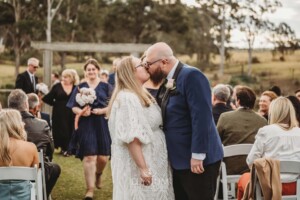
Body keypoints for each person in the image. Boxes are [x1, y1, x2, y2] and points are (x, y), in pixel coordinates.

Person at [145, 42, 223, 200]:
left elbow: (202, 117)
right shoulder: (170, 79)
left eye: (148, 64)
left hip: (198, 161)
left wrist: (198, 154)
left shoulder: (192, 76)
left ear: (164, 62)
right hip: (179, 158)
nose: (147, 68)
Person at [107, 56, 174, 199]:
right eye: (142, 65)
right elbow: (132, 138)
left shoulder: (139, 93)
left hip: (153, 158)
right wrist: (143, 169)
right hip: (140, 163)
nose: (146, 67)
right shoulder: (127, 98)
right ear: (130, 72)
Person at [237, 97, 300, 199]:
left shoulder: (266, 131)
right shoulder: (298, 132)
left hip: (267, 187)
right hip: (295, 186)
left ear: (273, 112)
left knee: (243, 179)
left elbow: (251, 161)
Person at [67, 58, 112, 200]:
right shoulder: (80, 87)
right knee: (89, 156)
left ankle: (98, 174)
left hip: (101, 123)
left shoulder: (106, 86)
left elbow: (113, 105)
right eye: (88, 69)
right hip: (86, 124)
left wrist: (102, 110)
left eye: (93, 69)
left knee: (103, 158)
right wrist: (81, 112)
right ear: (85, 72)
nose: (91, 71)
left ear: (98, 70)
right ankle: (90, 190)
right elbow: (73, 105)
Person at [7, 89, 61, 197]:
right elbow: (50, 150)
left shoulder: (4, 124)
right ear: (26, 104)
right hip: (36, 171)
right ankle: (40, 195)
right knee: (54, 167)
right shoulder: (42, 124)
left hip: (7, 170)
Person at [217, 86, 267, 175]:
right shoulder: (262, 121)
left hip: (229, 170)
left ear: (238, 101)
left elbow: (217, 140)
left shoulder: (225, 117)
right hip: (253, 169)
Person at [0, 109, 39, 200]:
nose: (23, 124)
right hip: (25, 196)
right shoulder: (31, 147)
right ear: (16, 124)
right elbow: (36, 173)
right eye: (21, 121)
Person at [43, 69, 79, 156]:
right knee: (61, 130)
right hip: (59, 113)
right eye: (63, 76)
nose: (63, 78)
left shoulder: (76, 88)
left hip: (71, 112)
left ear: (72, 78)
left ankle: (70, 148)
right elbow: (47, 98)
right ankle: (64, 148)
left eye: (66, 77)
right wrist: (55, 104)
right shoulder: (57, 86)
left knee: (70, 129)